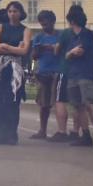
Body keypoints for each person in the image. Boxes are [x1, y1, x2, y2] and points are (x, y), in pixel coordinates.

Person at [58, 4, 93, 149]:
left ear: (71, 20)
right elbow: (67, 54)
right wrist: (71, 52)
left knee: (89, 104)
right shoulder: (72, 35)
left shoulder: (86, 34)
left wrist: (72, 52)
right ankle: (86, 135)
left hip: (84, 73)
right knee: (78, 106)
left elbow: (78, 52)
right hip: (73, 73)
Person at [0, 1, 31, 145]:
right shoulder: (0, 27)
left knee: (12, 101)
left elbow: (23, 51)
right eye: (10, 11)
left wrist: (6, 46)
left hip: (15, 69)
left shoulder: (25, 30)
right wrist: (13, 48)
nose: (12, 14)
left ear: (21, 13)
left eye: (15, 11)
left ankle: (11, 134)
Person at [29, 10, 65, 140]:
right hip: (43, 73)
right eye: (42, 24)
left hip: (57, 72)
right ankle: (42, 130)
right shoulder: (38, 37)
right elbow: (34, 56)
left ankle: (61, 131)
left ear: (53, 22)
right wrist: (39, 50)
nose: (45, 26)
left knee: (58, 102)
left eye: (46, 23)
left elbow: (63, 51)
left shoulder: (61, 35)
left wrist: (51, 47)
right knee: (44, 104)